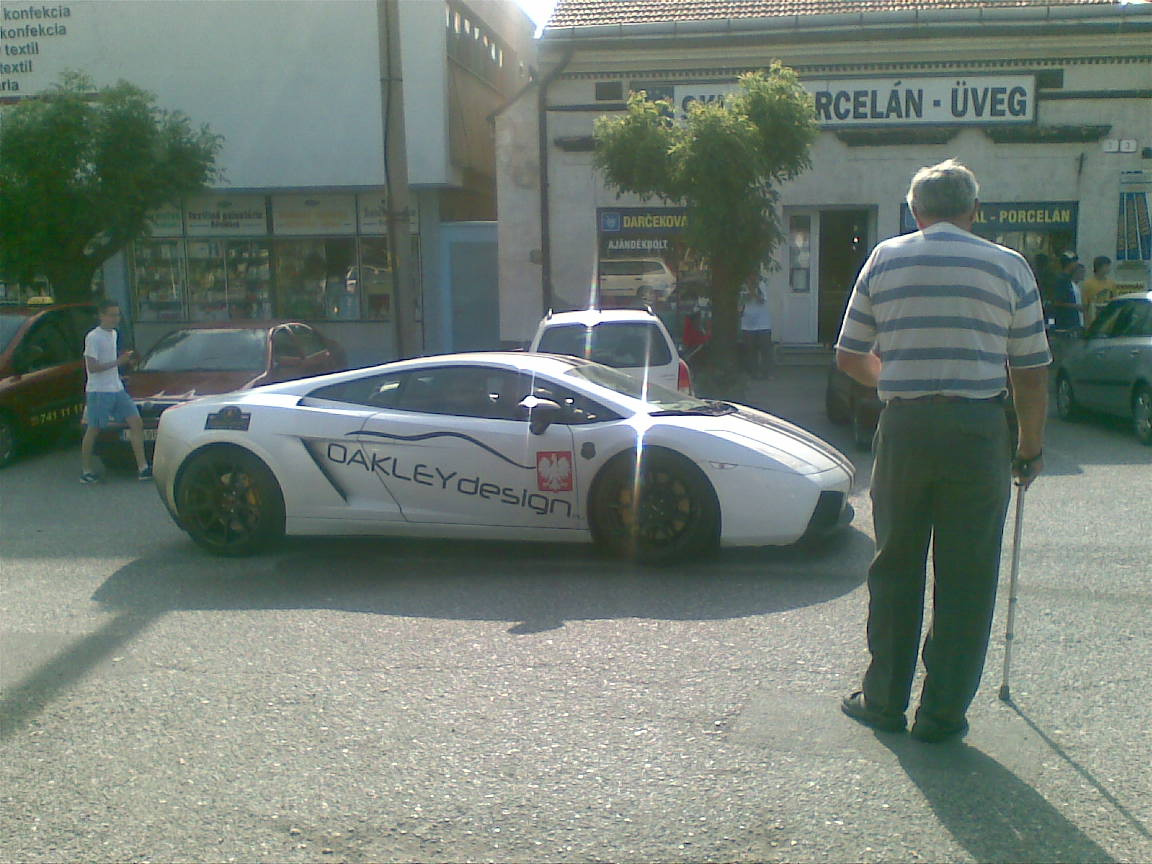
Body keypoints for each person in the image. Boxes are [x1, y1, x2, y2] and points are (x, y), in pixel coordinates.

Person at [835, 159, 1050, 743]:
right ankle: (943, 712)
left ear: (916, 211)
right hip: (979, 431)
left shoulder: (885, 258)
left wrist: (894, 377)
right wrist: (1029, 447)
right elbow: (1030, 370)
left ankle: (883, 700)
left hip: (904, 427)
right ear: (973, 210)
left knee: (896, 563)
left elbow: (850, 353)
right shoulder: (1009, 266)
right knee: (969, 574)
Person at [80, 300, 151, 484]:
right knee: (94, 429)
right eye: (111, 315)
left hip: (116, 387)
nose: (115, 319)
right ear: (101, 315)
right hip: (99, 391)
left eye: (117, 315)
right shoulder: (93, 337)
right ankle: (86, 470)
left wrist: (123, 366)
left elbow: (113, 361)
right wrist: (117, 363)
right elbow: (92, 367)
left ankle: (143, 467)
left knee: (135, 422)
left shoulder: (113, 334)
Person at [740, 275, 775, 378]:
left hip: (763, 323)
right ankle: (753, 373)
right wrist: (749, 294)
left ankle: (767, 373)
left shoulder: (761, 285)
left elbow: (762, 300)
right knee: (750, 350)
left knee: (765, 349)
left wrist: (753, 292)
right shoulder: (742, 287)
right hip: (748, 324)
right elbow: (741, 302)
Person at [1081, 255, 1118, 327]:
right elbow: (1085, 306)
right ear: (1098, 267)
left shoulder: (1111, 284)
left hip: (1108, 321)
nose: (1108, 268)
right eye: (1106, 266)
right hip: (1093, 321)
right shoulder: (1088, 284)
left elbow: (1114, 303)